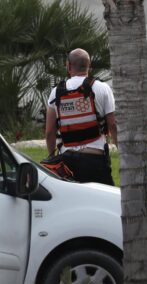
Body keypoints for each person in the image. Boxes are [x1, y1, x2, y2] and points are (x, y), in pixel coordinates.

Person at [45, 48, 117, 185]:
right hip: (95, 159)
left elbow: (49, 132)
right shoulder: (102, 88)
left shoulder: (56, 92)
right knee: (105, 201)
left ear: (68, 66)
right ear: (89, 66)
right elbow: (112, 125)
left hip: (67, 161)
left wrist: (51, 156)